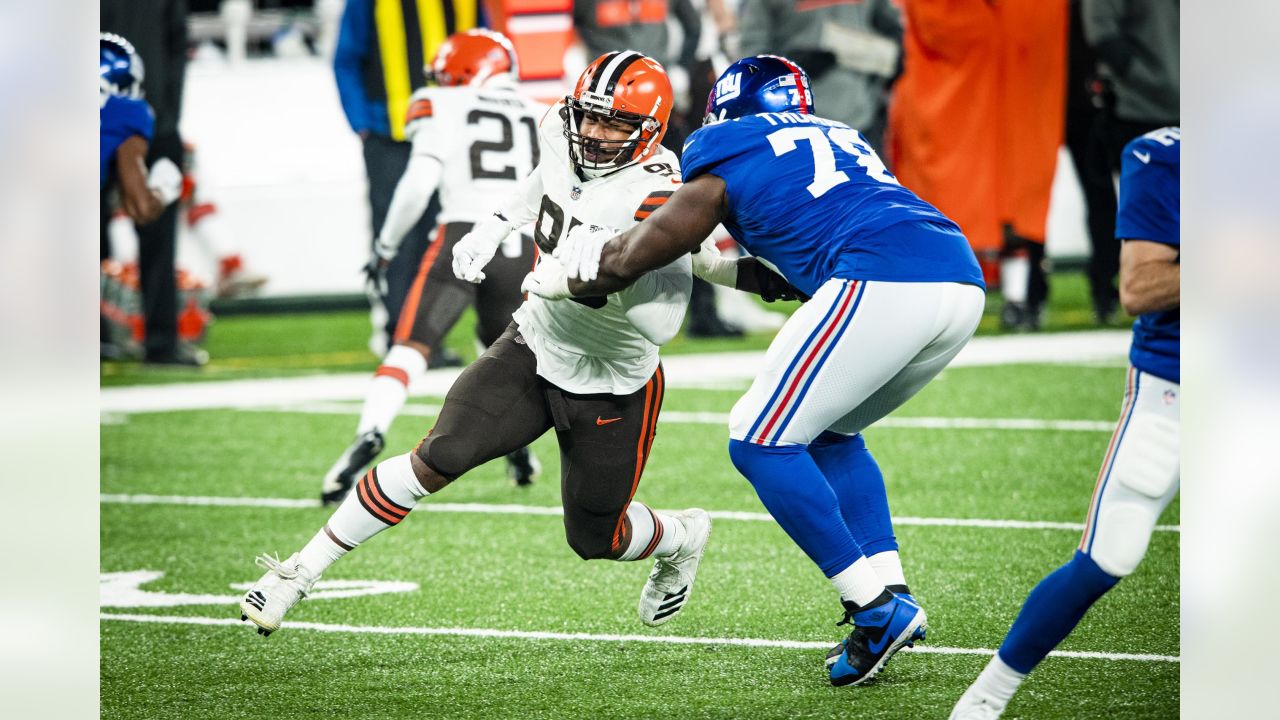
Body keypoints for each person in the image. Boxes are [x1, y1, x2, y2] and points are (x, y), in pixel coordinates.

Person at [532, 55, 986, 687]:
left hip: (880, 275)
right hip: (958, 278)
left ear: (724, 110)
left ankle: (874, 608)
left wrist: (566, 272)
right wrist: (716, 266)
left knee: (759, 439)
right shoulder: (838, 138)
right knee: (828, 434)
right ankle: (885, 591)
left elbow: (636, 253)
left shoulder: (725, 143)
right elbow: (786, 274)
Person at [242, 51, 722, 637]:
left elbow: (663, 324)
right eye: (588, 117)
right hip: (536, 340)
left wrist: (590, 271)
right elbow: (542, 184)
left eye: (614, 123)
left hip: (613, 378)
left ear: (649, 130)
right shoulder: (556, 130)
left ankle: (682, 535)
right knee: (437, 456)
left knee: (596, 538)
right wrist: (493, 225)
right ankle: (299, 572)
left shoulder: (661, 194)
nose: (593, 134)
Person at [949, 127, 1179, 719]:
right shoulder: (1166, 156)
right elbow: (1140, 286)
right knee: (1109, 556)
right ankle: (983, 702)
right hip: (1176, 390)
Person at [320, 29, 546, 505]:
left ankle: (370, 430)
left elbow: (418, 183)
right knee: (503, 354)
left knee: (411, 348)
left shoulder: (439, 104)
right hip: (520, 244)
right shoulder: (540, 112)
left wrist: (385, 245)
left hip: (460, 238)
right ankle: (519, 449)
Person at [333, 0, 481, 357]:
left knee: (442, 235)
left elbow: (484, 51)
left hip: (451, 136)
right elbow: (346, 58)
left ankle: (427, 337)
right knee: (397, 235)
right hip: (390, 135)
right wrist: (364, 125)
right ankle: (398, 334)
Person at [101, 0, 196, 365]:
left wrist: (169, 115)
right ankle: (109, 338)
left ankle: (160, 340)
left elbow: (176, 43)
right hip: (124, 117)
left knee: (157, 231)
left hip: (150, 119)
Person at [737, 0, 902, 153]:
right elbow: (749, 64)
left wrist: (899, 46)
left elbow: (888, 22)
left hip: (864, 123)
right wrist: (789, 65)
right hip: (799, 132)